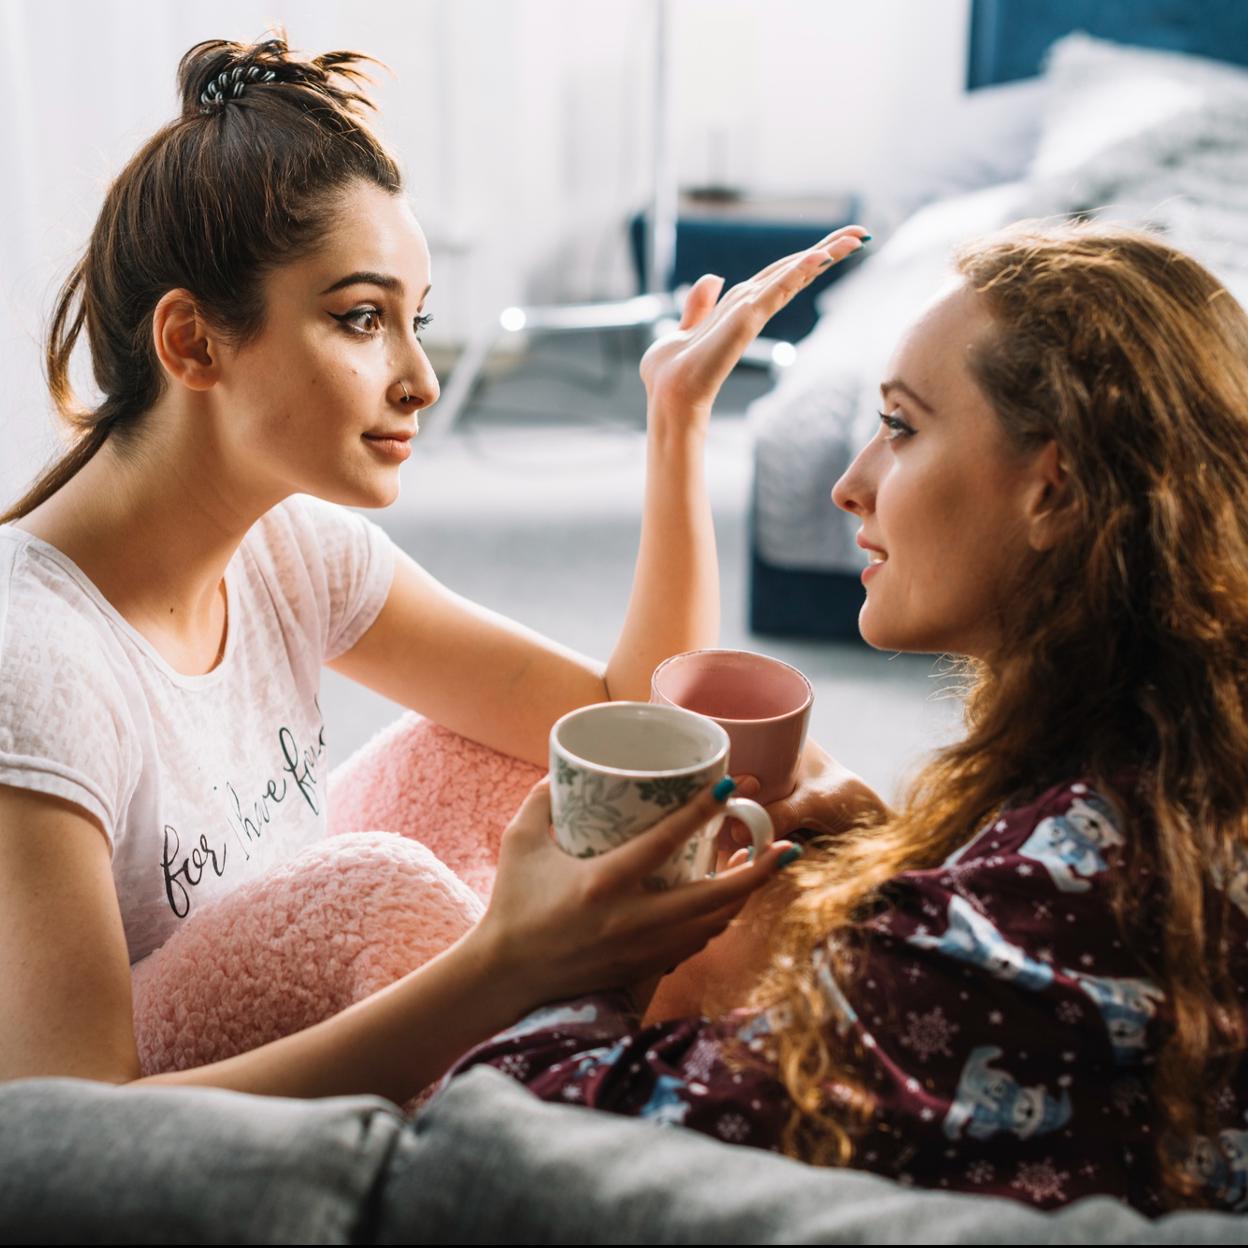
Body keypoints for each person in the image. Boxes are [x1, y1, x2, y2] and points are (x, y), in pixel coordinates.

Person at [0, 35, 868, 1101]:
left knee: (540, 770)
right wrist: (500, 967)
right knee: (387, 893)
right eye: (362, 320)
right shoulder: (32, 661)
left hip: (274, 987)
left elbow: (625, 714)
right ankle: (587, 1090)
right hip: (150, 1117)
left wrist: (677, 420)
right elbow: (63, 1139)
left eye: (417, 322)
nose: (420, 380)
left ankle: (632, 1045)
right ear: (193, 344)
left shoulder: (291, 547)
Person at [448, 221, 1248, 1216]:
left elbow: (506, 1144)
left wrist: (546, 955)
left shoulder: (1030, 917)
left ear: (1060, 486)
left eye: (903, 427)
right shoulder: (1181, 768)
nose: (848, 482)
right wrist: (902, 859)